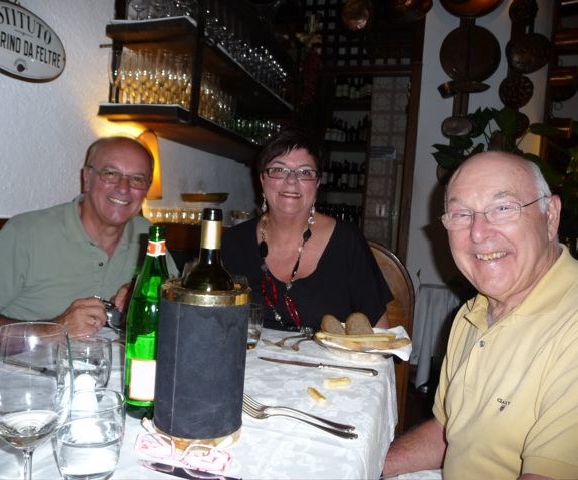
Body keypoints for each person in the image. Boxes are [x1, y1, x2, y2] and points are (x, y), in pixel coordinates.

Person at [382, 152, 578, 479]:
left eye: (503, 208)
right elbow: (448, 433)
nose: (478, 233)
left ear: (551, 216)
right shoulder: (472, 313)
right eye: (461, 214)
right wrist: (365, 467)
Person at [0, 136, 177, 377]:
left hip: (83, 378)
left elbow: (179, 311)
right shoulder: (26, 232)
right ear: (87, 178)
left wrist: (143, 298)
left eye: (137, 179)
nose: (124, 188)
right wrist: (53, 331)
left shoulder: (149, 237)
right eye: (111, 174)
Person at [221, 128, 391, 331]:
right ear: (262, 179)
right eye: (279, 169)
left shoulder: (347, 242)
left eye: (305, 172)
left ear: (318, 183)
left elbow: (381, 334)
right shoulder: (235, 241)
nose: (291, 180)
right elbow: (217, 325)